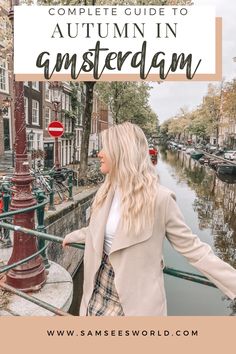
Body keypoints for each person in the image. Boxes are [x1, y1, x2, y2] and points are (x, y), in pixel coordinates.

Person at [62, 122, 236, 316]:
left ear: (122, 153)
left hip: (133, 306)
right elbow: (101, 229)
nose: (99, 153)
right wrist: (75, 235)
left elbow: (194, 249)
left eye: (105, 148)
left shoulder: (160, 199)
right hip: (97, 293)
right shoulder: (106, 190)